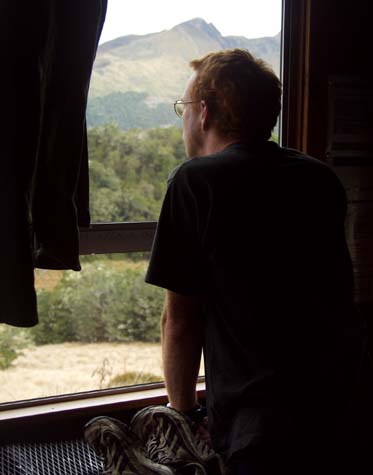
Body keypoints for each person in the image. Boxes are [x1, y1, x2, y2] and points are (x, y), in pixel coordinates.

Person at [145, 49, 372, 474]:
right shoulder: (318, 178)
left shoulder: (195, 183)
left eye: (184, 107)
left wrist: (185, 417)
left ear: (205, 112)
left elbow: (179, 321)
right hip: (342, 410)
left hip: (259, 429)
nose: (184, 119)